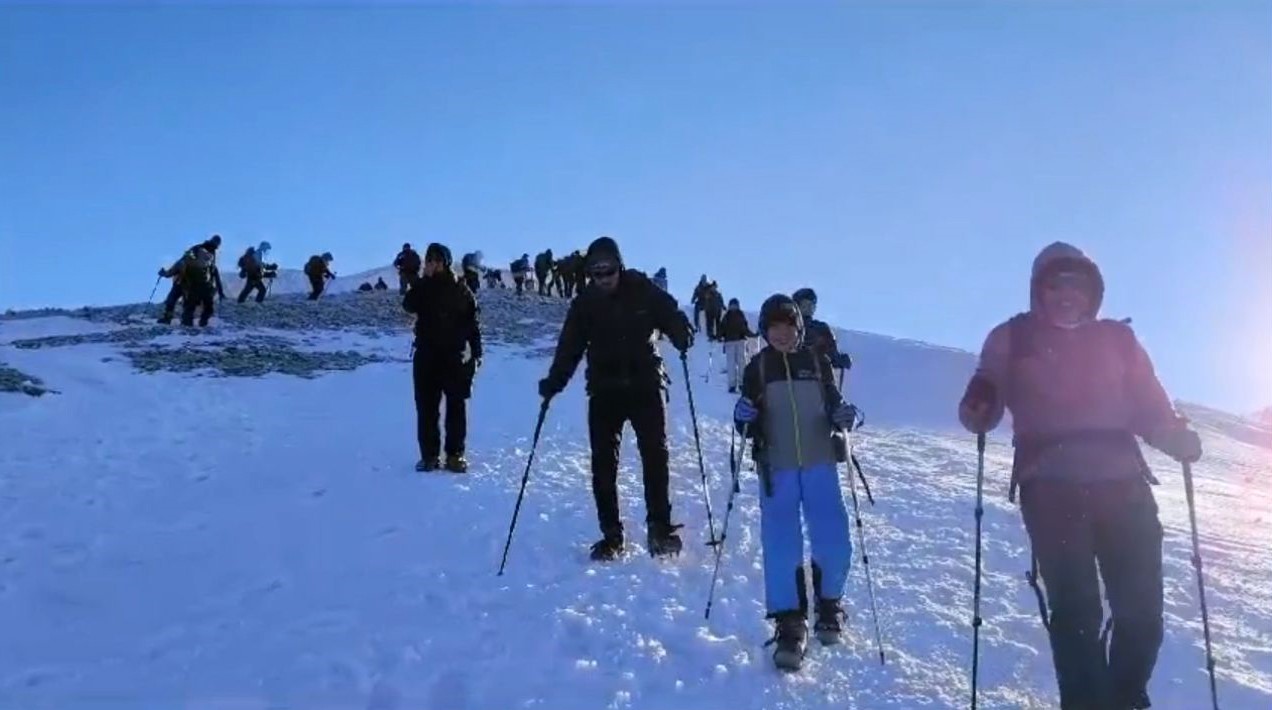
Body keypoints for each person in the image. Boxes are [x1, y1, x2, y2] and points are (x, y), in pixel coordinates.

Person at [958, 242, 1203, 710]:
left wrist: (1174, 436)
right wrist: (981, 401)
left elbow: (1150, 406)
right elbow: (986, 386)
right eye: (1056, 285)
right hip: (1051, 487)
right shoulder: (1013, 336)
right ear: (1039, 291)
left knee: (1141, 613)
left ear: (1094, 292)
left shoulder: (1119, 340)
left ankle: (1125, 698)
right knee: (1077, 611)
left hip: (1124, 485)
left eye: (1078, 285)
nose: (1067, 295)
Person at [538, 236, 694, 560]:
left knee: (655, 456)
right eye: (596, 273)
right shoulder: (584, 304)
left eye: (608, 270)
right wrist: (555, 382)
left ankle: (659, 529)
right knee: (603, 463)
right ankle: (611, 535)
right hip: (605, 389)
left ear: (619, 266)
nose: (604, 278)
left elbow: (671, 314)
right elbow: (569, 348)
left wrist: (681, 331)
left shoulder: (643, 289)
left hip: (646, 384)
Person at [733, 293, 858, 671]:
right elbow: (746, 421)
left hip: (820, 463)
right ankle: (790, 622)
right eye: (774, 327)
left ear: (799, 328)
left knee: (833, 538)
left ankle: (829, 604)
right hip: (778, 467)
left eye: (788, 326)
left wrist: (845, 416)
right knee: (782, 545)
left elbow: (837, 407)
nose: (782, 334)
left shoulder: (816, 362)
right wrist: (742, 417)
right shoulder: (757, 368)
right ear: (764, 330)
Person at [404, 243, 483, 474]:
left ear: (446, 262)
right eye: (430, 260)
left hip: (454, 356)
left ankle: (455, 455)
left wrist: (477, 353)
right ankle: (429, 456)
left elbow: (473, 324)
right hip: (426, 356)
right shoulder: (423, 287)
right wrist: (422, 281)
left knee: (456, 407)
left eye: (438, 260)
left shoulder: (460, 289)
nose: (434, 264)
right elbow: (408, 305)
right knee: (427, 408)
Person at [158, 234, 224, 324]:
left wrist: (165, 273)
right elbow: (213, 273)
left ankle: (170, 319)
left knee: (174, 300)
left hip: (184, 282)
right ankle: (191, 324)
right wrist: (220, 291)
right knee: (188, 305)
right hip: (192, 285)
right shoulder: (209, 256)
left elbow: (178, 265)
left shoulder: (196, 251)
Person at [792, 288, 853, 372]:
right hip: (810, 376)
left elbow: (833, 356)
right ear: (796, 306)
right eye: (805, 305)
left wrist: (840, 360)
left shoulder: (821, 329)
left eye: (811, 305)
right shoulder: (819, 328)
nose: (809, 308)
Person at [720, 298, 756, 393]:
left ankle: (741, 384)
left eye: (735, 305)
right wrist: (719, 336)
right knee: (732, 364)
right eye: (732, 305)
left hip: (739, 341)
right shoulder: (728, 316)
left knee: (741, 363)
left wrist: (751, 334)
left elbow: (744, 328)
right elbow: (722, 328)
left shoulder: (738, 315)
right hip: (731, 342)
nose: (733, 307)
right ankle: (733, 384)